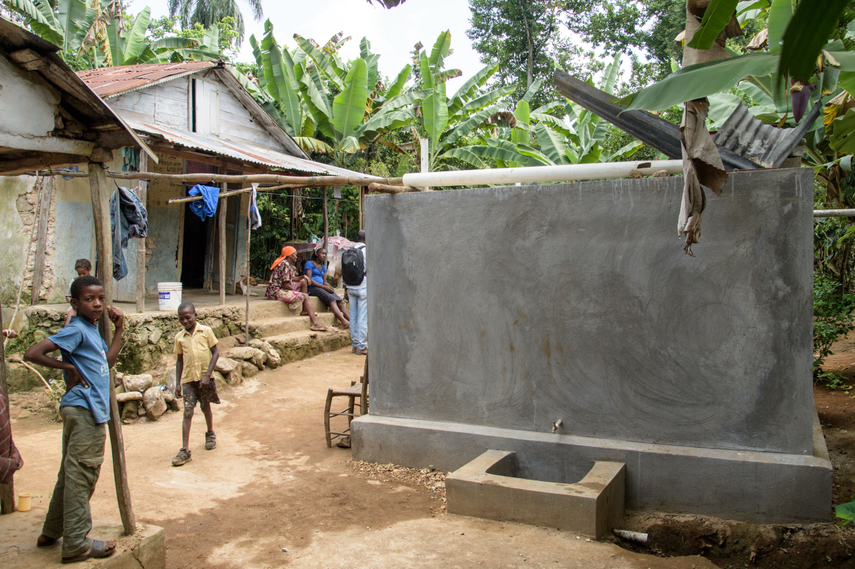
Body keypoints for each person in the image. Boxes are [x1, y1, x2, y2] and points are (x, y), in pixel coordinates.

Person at [23, 275, 123, 563]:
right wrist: (69, 367)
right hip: (84, 409)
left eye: (101, 298)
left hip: (82, 409)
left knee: (70, 474)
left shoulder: (91, 331)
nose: (97, 304)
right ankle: (77, 542)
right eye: (89, 299)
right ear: (74, 302)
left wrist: (118, 330)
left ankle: (51, 532)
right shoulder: (76, 329)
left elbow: (108, 361)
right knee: (83, 474)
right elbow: (33, 353)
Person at [171, 302, 220, 467]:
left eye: (188, 317)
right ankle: (185, 450)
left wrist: (207, 375)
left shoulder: (206, 332)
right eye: (181, 319)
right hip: (188, 379)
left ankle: (210, 433)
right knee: (187, 412)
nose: (185, 321)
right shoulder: (179, 338)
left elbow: (216, 352)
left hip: (204, 379)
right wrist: (177, 383)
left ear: (195, 315)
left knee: (205, 406)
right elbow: (179, 361)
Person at [266, 246, 329, 332]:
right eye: (295, 255)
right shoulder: (285, 265)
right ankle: (315, 324)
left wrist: (303, 276)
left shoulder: (286, 264)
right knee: (305, 296)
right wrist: (297, 293)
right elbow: (286, 285)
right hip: (275, 291)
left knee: (303, 281)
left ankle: (304, 310)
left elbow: (292, 278)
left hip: (278, 289)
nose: (296, 256)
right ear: (290, 255)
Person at [305, 247, 350, 329]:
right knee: (332, 300)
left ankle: (351, 321)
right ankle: (344, 321)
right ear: (316, 254)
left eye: (325, 254)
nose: (324, 256)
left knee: (340, 301)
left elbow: (324, 281)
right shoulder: (309, 263)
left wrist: (330, 288)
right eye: (322, 253)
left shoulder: (323, 267)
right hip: (312, 288)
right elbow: (309, 279)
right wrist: (324, 287)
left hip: (322, 287)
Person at [345, 230, 368, 355]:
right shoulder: (366, 251)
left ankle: (354, 345)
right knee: (362, 317)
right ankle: (361, 346)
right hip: (363, 286)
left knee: (353, 316)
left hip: (350, 287)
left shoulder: (349, 250)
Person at [65, 259, 92, 326]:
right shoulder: (74, 281)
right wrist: (74, 303)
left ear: (89, 269)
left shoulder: (93, 282)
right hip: (77, 305)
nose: (81, 276)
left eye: (83, 273)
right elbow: (68, 296)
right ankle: (67, 330)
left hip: (90, 304)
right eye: (79, 274)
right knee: (72, 313)